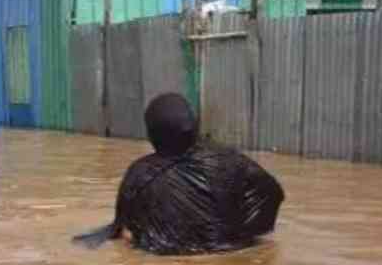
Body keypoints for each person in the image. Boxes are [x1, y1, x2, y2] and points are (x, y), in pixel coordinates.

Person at [75, 93, 285, 255]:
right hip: (233, 254)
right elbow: (272, 193)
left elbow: (121, 229)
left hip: (164, 264)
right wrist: (246, 233)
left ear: (152, 133)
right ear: (195, 128)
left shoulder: (140, 174)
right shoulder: (228, 161)